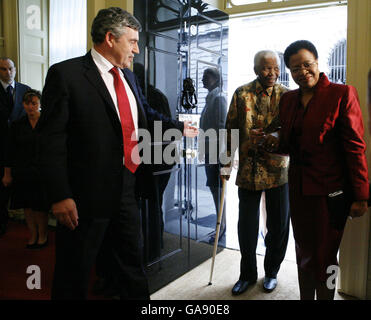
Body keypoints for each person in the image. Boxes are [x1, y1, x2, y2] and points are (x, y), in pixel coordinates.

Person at [38, 7, 198, 300]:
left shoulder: (129, 77)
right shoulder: (66, 74)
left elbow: (145, 115)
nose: (137, 49)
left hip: (127, 188)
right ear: (110, 38)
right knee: (74, 273)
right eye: (133, 41)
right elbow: (50, 141)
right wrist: (60, 195)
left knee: (131, 267)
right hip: (83, 197)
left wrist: (179, 126)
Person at [279, 40, 369, 300]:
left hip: (331, 194)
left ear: (317, 63)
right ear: (290, 71)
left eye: (307, 64)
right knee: (303, 251)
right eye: (295, 68)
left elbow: (355, 148)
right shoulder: (287, 100)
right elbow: (287, 144)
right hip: (298, 191)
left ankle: (326, 297)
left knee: (327, 255)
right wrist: (271, 141)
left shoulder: (341, 94)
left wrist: (361, 195)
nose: (302, 72)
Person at [222, 50, 290, 295]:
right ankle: (247, 275)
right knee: (246, 227)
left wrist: (277, 136)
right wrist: (225, 164)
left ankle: (272, 272)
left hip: (279, 172)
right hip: (249, 172)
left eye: (275, 68)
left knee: (279, 226)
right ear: (255, 70)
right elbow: (229, 130)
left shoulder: (288, 96)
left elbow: (294, 132)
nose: (271, 73)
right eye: (265, 68)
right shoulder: (242, 93)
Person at [2, 89, 49, 249]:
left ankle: (43, 235)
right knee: (27, 205)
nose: (30, 107)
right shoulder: (17, 125)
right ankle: (33, 234)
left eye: (34, 103)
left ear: (40, 104)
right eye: (27, 103)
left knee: (40, 206)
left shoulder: (47, 123)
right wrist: (7, 174)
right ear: (23, 104)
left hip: (42, 171)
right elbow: (10, 151)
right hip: (22, 170)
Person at [0, 58, 30, 237]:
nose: (7, 72)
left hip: (20, 148)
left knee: (22, 189)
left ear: (15, 69)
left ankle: (27, 223)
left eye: (10, 69)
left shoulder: (25, 90)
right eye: (3, 69)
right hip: (1, 147)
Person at [199, 67, 228, 243]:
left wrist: (219, 158)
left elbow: (221, 128)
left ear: (216, 79)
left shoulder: (218, 99)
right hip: (211, 154)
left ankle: (221, 228)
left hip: (216, 155)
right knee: (215, 191)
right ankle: (220, 226)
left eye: (206, 77)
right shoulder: (211, 98)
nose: (203, 79)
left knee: (218, 192)